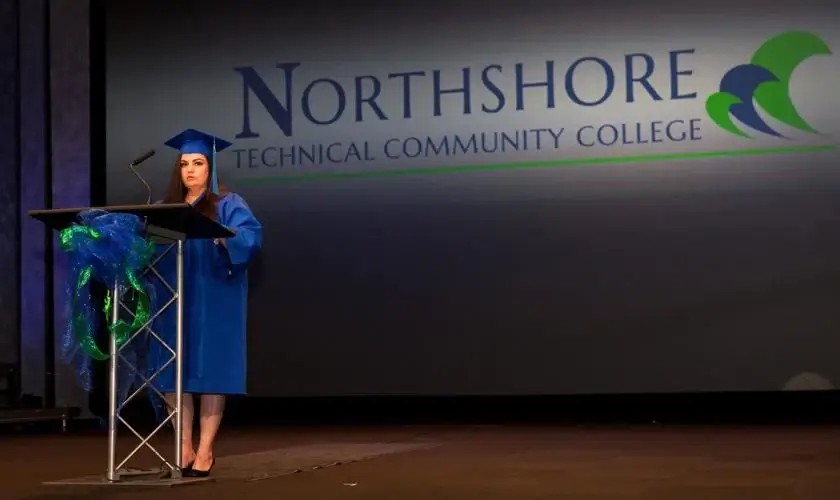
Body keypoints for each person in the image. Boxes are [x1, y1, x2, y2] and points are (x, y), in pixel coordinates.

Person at [146, 128, 262, 478]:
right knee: (173, 371)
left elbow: (250, 237)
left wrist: (223, 238)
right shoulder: (164, 208)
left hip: (215, 297)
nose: (191, 170)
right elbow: (145, 248)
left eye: (198, 163)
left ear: (211, 168)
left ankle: (206, 450)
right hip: (172, 296)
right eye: (184, 164)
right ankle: (183, 447)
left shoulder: (229, 204)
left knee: (211, 372)